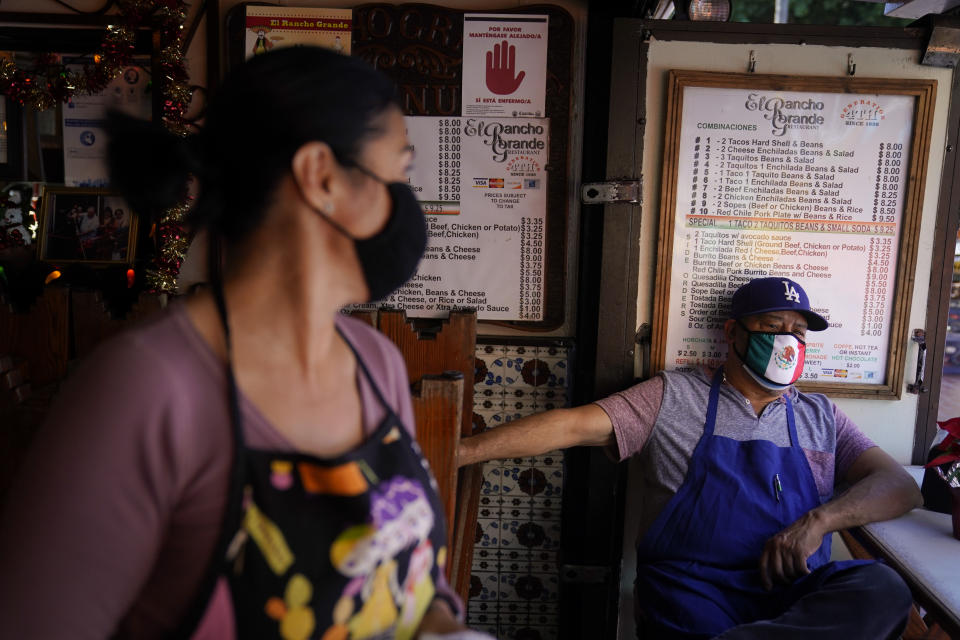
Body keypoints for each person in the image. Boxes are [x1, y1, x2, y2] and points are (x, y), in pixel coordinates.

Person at [0, 47, 492, 640]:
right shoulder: (146, 387)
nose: (409, 204)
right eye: (400, 173)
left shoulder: (375, 362)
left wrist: (447, 630)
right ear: (323, 176)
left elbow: (410, 582)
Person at [459, 277, 922, 640]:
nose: (788, 341)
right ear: (732, 333)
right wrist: (462, 451)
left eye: (797, 331)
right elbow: (573, 425)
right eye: (772, 328)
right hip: (694, 592)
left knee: (882, 588)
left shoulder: (820, 415)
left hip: (792, 596)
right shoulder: (675, 395)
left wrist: (820, 521)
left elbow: (899, 487)